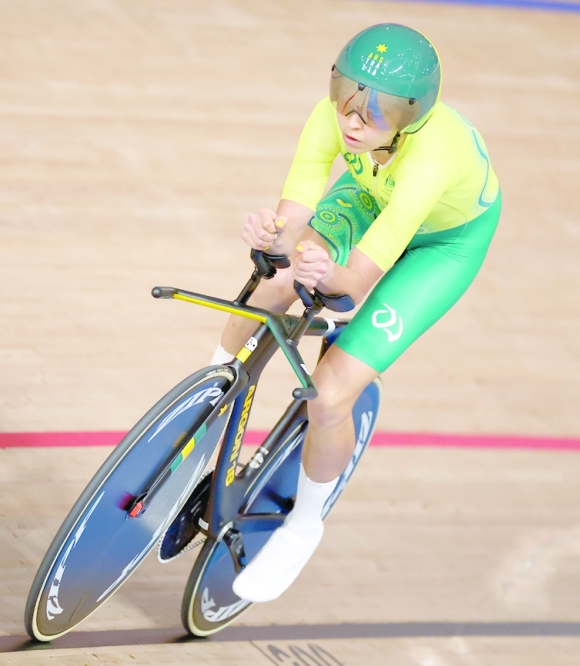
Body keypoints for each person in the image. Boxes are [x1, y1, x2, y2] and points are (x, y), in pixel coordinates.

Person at [210, 23, 502, 603]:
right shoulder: (331, 118)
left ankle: (304, 524)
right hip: (373, 196)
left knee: (330, 393)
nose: (350, 123)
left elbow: (357, 280)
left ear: (411, 115)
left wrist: (322, 273)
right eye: (347, 101)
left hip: (441, 245)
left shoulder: (431, 158)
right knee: (278, 282)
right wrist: (271, 239)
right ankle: (209, 398)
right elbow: (292, 221)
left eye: (372, 115)